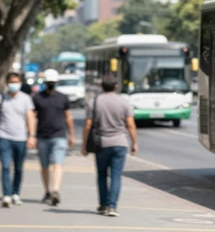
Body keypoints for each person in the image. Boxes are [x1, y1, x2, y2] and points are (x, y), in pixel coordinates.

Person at [82, 74, 137, 217]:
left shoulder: (94, 102)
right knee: (116, 176)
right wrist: (134, 143)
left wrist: (84, 144)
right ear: (116, 86)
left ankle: (103, 205)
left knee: (101, 175)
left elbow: (88, 124)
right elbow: (130, 124)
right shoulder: (124, 101)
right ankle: (112, 206)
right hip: (120, 143)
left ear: (102, 86)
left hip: (101, 143)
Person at [33, 68, 74, 206]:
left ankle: (55, 190)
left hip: (59, 135)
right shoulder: (37, 98)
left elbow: (68, 118)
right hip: (42, 136)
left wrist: (71, 135)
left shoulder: (63, 98)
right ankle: (47, 191)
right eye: (49, 82)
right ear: (45, 83)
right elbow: (32, 117)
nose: (51, 84)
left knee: (58, 163)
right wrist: (31, 135)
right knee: (44, 165)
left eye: (52, 82)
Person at [0, 72, 37, 207]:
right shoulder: (2, 98)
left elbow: (30, 117)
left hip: (21, 138)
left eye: (16, 82)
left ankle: (15, 193)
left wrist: (32, 136)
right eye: (11, 82)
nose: (14, 85)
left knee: (18, 168)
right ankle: (7, 195)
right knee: (5, 166)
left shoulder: (25, 98)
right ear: (7, 83)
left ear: (20, 83)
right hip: (4, 137)